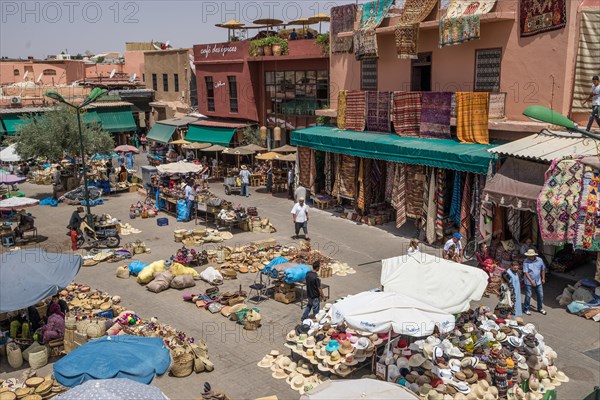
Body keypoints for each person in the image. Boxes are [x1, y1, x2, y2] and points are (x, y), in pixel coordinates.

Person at [522, 249, 546, 315]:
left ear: (534, 255)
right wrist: (531, 281)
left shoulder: (539, 260)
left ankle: (540, 308)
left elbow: (543, 269)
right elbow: (526, 272)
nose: (529, 257)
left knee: (540, 295)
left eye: (531, 256)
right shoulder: (526, 261)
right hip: (528, 281)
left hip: (538, 281)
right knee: (528, 295)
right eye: (528, 256)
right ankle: (526, 308)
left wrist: (543, 278)